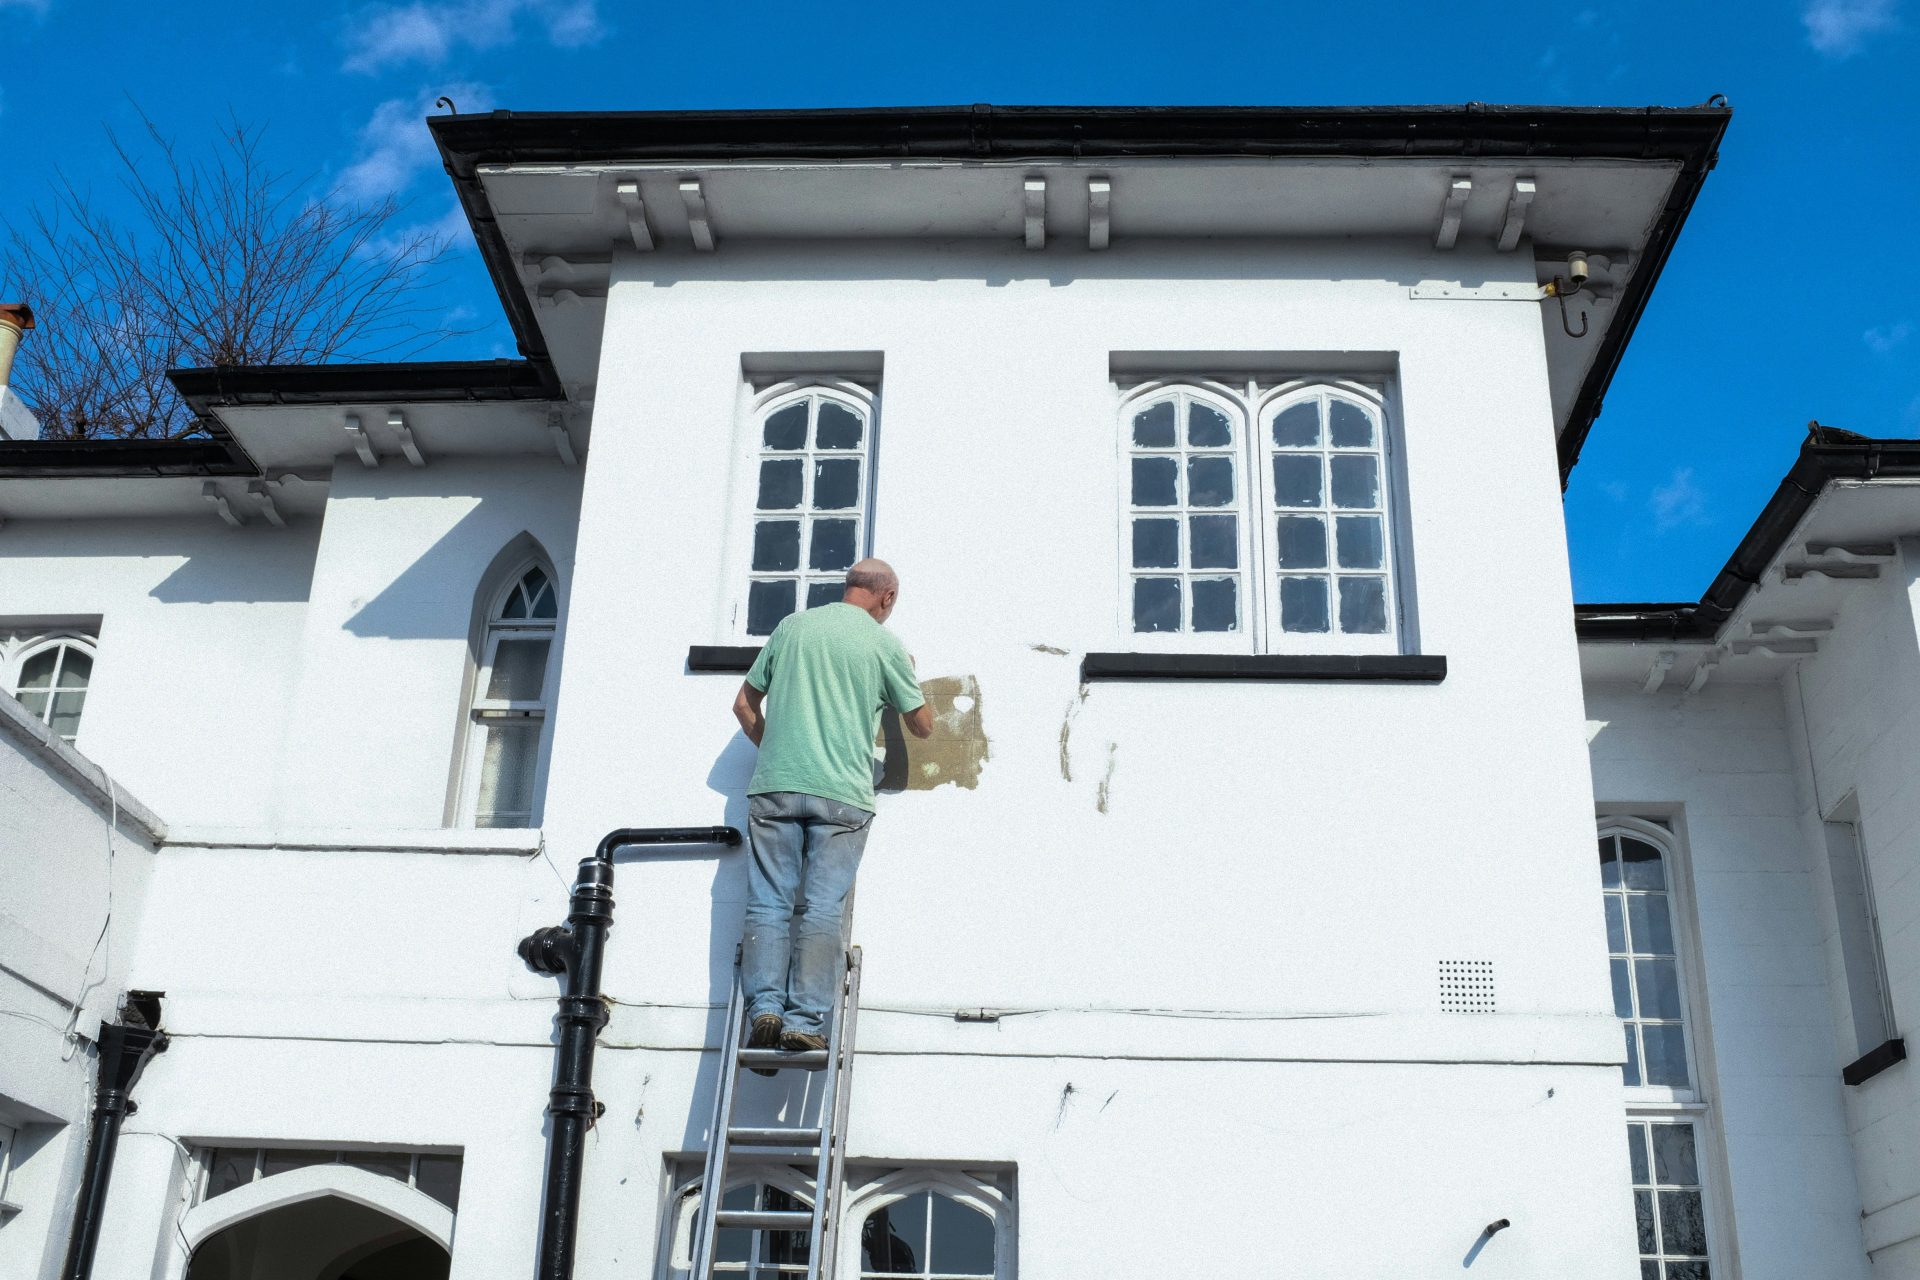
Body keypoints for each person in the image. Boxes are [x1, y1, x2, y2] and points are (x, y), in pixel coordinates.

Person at [731, 558, 933, 1061]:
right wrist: (904, 675)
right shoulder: (883, 644)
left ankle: (765, 1013)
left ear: (849, 588)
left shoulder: (791, 628)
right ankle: (802, 1022)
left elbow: (743, 705)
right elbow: (924, 725)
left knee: (769, 904)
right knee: (822, 908)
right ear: (886, 597)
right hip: (842, 795)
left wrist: (776, 749)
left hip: (776, 787)